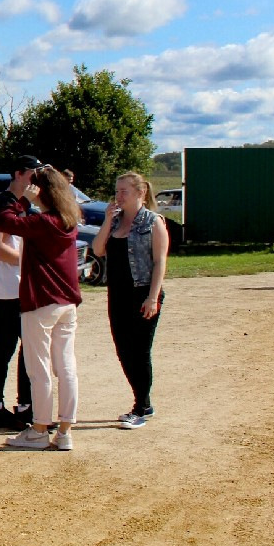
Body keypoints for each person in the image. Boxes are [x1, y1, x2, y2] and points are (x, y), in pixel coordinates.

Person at [0, 157, 82, 452]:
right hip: (67, 302)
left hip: (41, 303)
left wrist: (21, 199)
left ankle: (40, 429)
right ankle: (64, 430)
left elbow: (1, 220)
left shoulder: (43, 221)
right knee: (65, 367)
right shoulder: (68, 220)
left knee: (38, 368)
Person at [91, 171, 169, 429]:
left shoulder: (153, 222)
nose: (118, 196)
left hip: (143, 292)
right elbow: (98, 249)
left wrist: (153, 297)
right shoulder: (114, 222)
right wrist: (106, 220)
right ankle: (141, 402)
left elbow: (160, 262)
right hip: (118, 294)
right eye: (116, 191)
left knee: (139, 351)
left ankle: (142, 406)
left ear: (140, 193)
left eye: (124, 191)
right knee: (123, 350)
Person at [0, 221, 33, 428]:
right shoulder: (5, 210)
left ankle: (21, 406)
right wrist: (33, 262)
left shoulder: (19, 209)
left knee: (20, 349)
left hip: (14, 289)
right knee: (6, 349)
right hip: (9, 291)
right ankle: (2, 407)